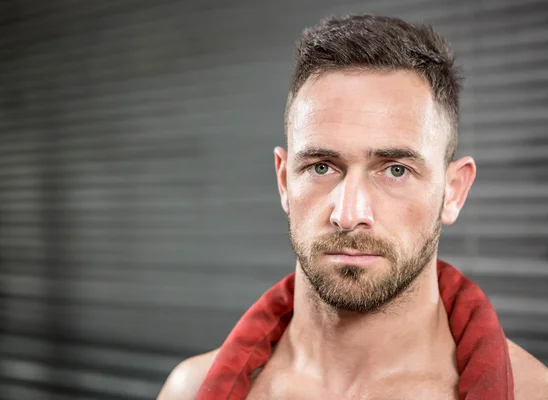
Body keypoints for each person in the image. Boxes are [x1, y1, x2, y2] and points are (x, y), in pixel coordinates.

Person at [158, 14, 548, 400]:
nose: (348, 214)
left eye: (395, 170)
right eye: (322, 167)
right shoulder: (189, 390)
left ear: (454, 191)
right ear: (283, 181)